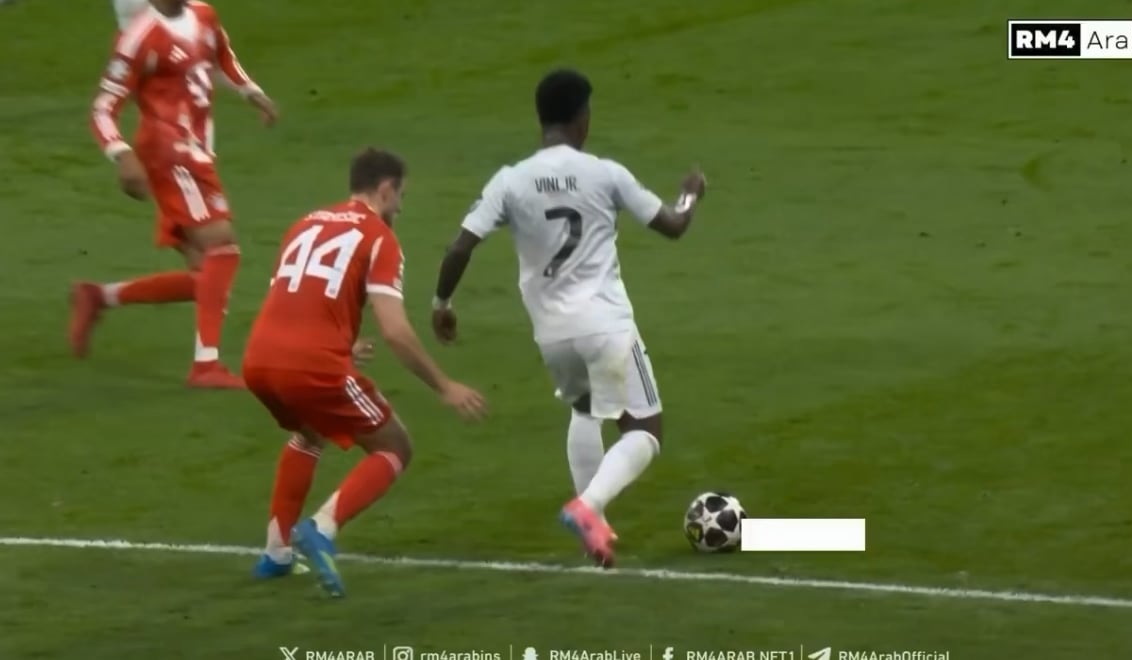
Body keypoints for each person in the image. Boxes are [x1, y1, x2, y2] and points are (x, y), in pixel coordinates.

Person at [430, 69, 706, 568]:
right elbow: (673, 225)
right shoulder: (605, 173)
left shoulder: (510, 179)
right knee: (645, 430)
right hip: (605, 324)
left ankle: (592, 535)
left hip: (551, 333)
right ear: (582, 117)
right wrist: (690, 194)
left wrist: (441, 305)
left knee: (584, 410)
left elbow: (460, 246)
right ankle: (588, 506)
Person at [243, 148, 486, 597]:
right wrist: (444, 385)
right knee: (395, 446)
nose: (401, 208)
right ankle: (322, 528)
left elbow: (295, 296)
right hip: (311, 364)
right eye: (401, 196)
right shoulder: (378, 237)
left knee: (310, 431)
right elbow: (395, 331)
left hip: (259, 359)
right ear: (386, 189)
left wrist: (339, 343)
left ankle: (276, 554)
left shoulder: (305, 223)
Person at [73, 0, 279, 388]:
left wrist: (252, 92)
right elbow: (103, 108)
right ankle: (206, 366)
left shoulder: (203, 15)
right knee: (221, 245)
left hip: (197, 152)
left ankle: (100, 296)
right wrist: (122, 155)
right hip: (168, 152)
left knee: (207, 276)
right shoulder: (140, 37)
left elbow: (222, 56)